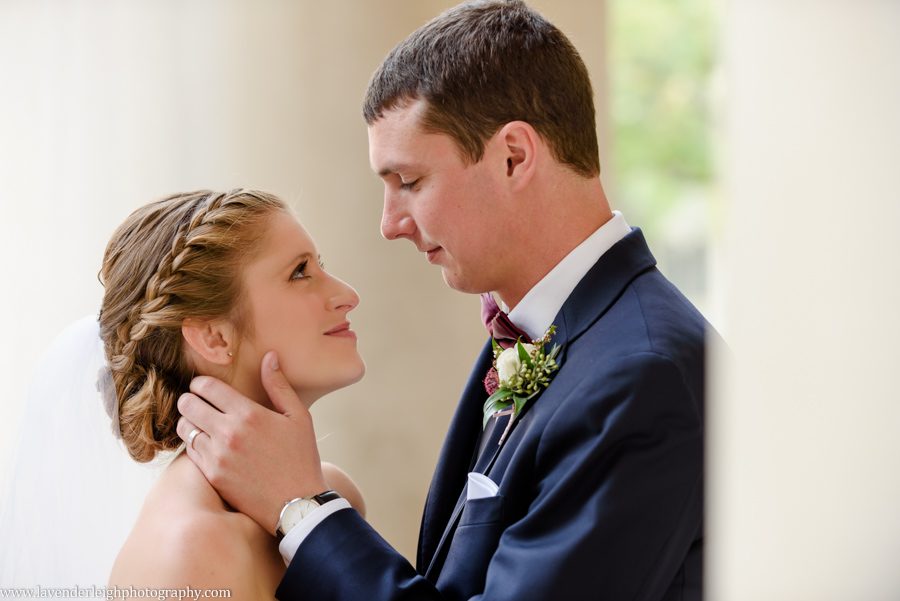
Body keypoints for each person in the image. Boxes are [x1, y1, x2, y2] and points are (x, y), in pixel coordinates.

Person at [177, 2, 710, 600]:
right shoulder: (537, 332)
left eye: (410, 182)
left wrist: (300, 509)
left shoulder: (643, 374)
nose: (389, 223)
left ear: (514, 156)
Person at [96, 189, 367, 597]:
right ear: (214, 336)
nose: (348, 295)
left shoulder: (329, 496)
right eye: (299, 272)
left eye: (319, 266)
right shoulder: (192, 551)